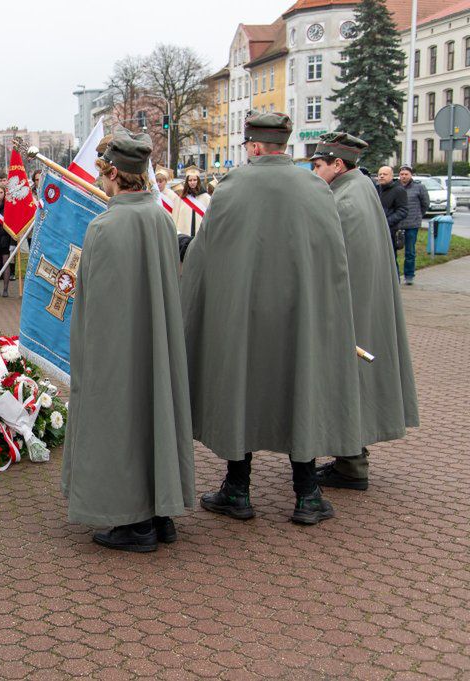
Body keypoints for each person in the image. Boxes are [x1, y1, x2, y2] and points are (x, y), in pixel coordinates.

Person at [180, 112, 363, 526]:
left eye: (247, 145)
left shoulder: (232, 186)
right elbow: (333, 260)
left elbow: (207, 255)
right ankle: (307, 495)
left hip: (242, 316)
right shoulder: (315, 186)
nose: (246, 150)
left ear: (256, 146)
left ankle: (237, 489)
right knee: (299, 389)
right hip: (298, 315)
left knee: (240, 391)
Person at [63, 130, 194, 552]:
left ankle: (132, 522)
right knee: (153, 415)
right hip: (155, 344)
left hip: (119, 350)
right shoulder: (159, 216)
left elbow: (96, 306)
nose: (101, 182)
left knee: (120, 421)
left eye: (104, 174)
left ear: (115, 173)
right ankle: (160, 513)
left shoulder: (106, 225)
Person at [310, 133, 419, 490]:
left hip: (350, 312)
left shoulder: (345, 201)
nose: (314, 171)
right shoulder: (359, 188)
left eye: (318, 165)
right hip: (364, 306)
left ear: (337, 164)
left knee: (348, 381)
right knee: (354, 380)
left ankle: (351, 465)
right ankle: (350, 460)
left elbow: (332, 264)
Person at [397, 165, 430, 285]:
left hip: (412, 224)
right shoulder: (396, 187)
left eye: (406, 174)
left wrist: (418, 215)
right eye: (402, 174)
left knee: (410, 252)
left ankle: (409, 275)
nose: (404, 176)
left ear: (411, 175)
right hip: (398, 224)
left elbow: (425, 203)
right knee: (394, 251)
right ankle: (396, 275)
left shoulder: (419, 187)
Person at [376, 166, 408, 277]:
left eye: (385, 174)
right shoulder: (376, 189)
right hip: (375, 230)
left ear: (391, 176)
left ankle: (395, 284)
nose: (381, 176)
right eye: (380, 174)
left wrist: (387, 221)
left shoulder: (398, 190)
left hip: (390, 231)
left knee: (391, 260)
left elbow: (403, 211)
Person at [171, 167, 209, 237]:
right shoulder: (180, 199)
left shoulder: (206, 198)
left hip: (200, 236)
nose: (192, 182)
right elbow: (174, 219)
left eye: (195, 180)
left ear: (198, 181)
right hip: (184, 237)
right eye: (190, 180)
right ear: (187, 182)